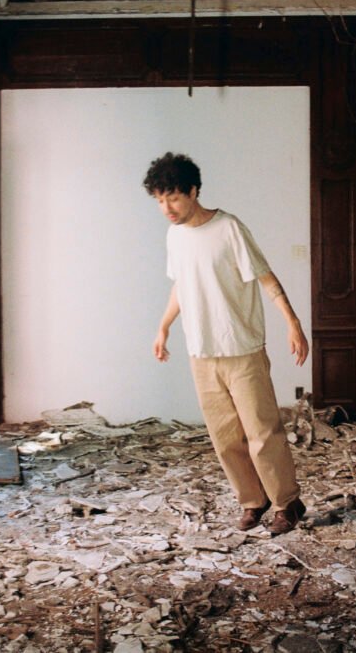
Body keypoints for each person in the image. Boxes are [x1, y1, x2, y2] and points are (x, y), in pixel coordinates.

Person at [144, 152, 309, 534]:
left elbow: (265, 277)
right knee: (225, 438)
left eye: (173, 198)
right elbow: (182, 284)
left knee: (262, 434)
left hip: (242, 349)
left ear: (193, 191)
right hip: (202, 352)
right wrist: (163, 327)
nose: (167, 208)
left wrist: (293, 322)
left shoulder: (229, 228)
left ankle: (288, 502)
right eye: (159, 200)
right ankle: (253, 500)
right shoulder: (175, 236)